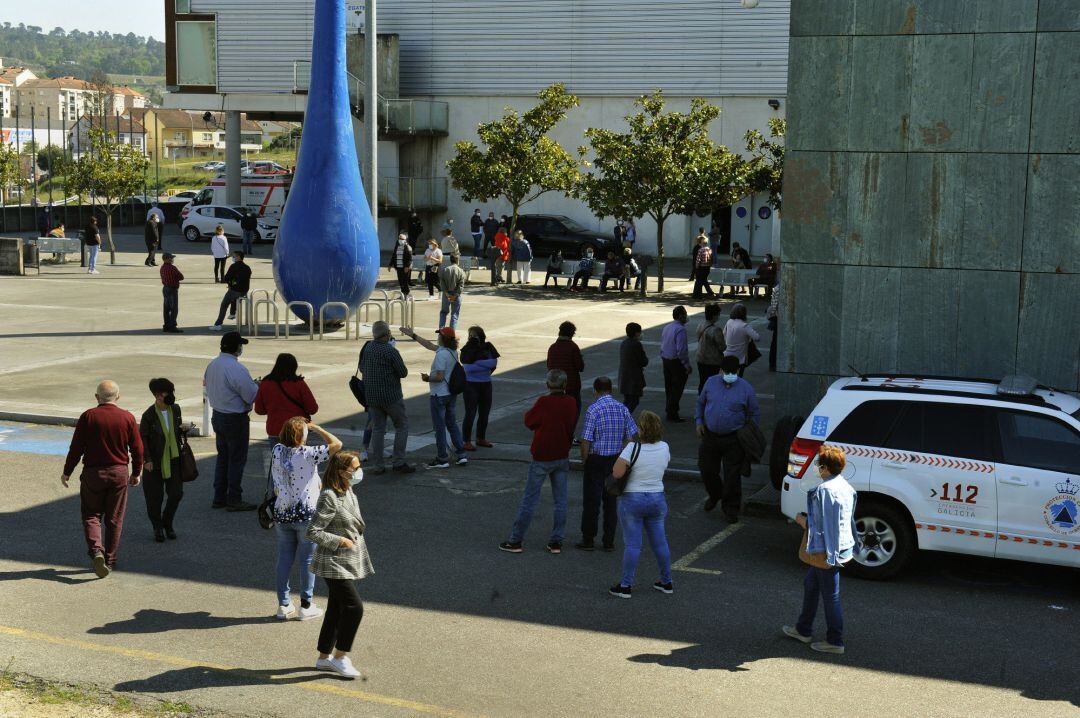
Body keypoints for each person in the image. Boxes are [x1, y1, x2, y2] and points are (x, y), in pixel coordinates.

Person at [61, 380, 143, 578]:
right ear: (118, 396)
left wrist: (67, 471)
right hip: (118, 473)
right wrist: (136, 472)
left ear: (97, 397)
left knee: (91, 514)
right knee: (114, 518)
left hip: (93, 473)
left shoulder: (88, 416)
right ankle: (110, 559)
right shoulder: (127, 417)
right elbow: (138, 449)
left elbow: (76, 448)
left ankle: (96, 551)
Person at [783, 445, 857, 655]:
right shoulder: (845, 486)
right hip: (840, 547)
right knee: (811, 584)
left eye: (818, 464)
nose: (816, 468)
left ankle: (835, 640)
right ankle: (803, 629)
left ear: (824, 468)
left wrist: (800, 520)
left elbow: (818, 525)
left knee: (831, 596)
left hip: (825, 551)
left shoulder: (822, 491)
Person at [306, 451, 372, 679]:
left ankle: (324, 658)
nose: (359, 471)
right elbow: (313, 531)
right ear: (342, 472)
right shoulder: (329, 496)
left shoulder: (348, 490)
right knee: (354, 608)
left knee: (336, 608)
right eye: (355, 468)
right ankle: (340, 657)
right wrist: (340, 540)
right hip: (332, 562)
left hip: (345, 560)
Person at [271, 417, 342, 621]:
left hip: (282, 513)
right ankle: (306, 605)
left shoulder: (277, 450)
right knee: (308, 560)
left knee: (284, 558)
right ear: (302, 436)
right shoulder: (309, 453)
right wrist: (318, 428)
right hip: (306, 515)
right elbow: (337, 444)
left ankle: (284, 605)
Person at [499, 370, 577, 554]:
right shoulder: (571, 402)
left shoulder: (543, 402)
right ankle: (556, 541)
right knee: (560, 501)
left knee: (530, 500)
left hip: (542, 455)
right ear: (565, 385)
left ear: (548, 384)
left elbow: (529, 421)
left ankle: (516, 540)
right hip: (561, 453)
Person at [608, 410, 673, 599]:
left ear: (640, 429)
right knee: (660, 543)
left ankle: (626, 585)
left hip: (633, 499)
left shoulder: (632, 448)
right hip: (657, 498)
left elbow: (617, 473)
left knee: (633, 545)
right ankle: (666, 581)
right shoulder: (664, 447)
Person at [696, 355, 760, 523]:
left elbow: (754, 413)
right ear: (720, 370)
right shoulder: (710, 382)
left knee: (732, 475)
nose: (729, 374)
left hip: (733, 438)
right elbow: (700, 403)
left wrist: (748, 431)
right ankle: (715, 494)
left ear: (738, 371)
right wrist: (699, 421)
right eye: (726, 372)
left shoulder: (746, 389)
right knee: (706, 469)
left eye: (733, 372)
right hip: (710, 436)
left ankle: (731, 508)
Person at [578, 376, 639, 552]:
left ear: (595, 391)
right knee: (611, 502)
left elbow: (586, 440)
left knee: (592, 501)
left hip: (596, 459)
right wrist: (624, 461)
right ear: (611, 390)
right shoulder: (623, 409)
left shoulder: (593, 409)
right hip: (615, 460)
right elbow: (629, 438)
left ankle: (588, 539)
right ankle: (608, 541)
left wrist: (585, 460)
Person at [204, 331, 259, 511]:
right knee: (236, 459)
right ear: (236, 348)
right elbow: (251, 395)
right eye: (240, 345)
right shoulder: (237, 368)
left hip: (218, 415)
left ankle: (219, 496)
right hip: (234, 418)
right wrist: (257, 385)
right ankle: (234, 498)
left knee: (223, 457)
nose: (241, 348)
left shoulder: (212, 365)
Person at [401, 326, 468, 469]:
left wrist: (426, 378)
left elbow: (439, 377)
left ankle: (442, 458)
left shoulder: (441, 355)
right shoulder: (452, 351)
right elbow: (429, 345)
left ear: (443, 339)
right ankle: (461, 454)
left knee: (439, 427)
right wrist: (413, 335)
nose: (437, 337)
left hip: (439, 395)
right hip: (451, 394)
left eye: (440, 335)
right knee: (452, 424)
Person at [359, 322, 415, 474]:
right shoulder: (390, 351)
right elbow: (403, 372)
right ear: (387, 334)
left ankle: (378, 466)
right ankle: (399, 462)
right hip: (391, 396)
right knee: (402, 426)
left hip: (372, 397)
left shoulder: (368, 348)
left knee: (378, 429)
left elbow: (362, 368)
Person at [139, 378, 185, 543]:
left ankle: (167, 521)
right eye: (168, 393)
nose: (171, 395)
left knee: (177, 493)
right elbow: (142, 439)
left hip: (173, 459)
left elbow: (175, 432)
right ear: (158, 396)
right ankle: (157, 527)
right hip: (155, 462)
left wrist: (183, 430)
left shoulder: (176, 410)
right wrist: (147, 459)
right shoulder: (149, 415)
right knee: (154, 498)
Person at [254, 353, 319, 447]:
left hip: (275, 429)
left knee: (278, 460)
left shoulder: (265, 383)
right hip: (297, 430)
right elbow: (313, 409)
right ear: (294, 367)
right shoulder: (298, 383)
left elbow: (259, 410)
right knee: (298, 460)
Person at [460, 326, 499, 451]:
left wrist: (476, 363)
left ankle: (480, 438)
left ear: (481, 336)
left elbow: (493, 364)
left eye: (474, 335)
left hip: (486, 384)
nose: (472, 338)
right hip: (471, 385)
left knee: (484, 413)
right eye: (470, 335)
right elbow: (467, 368)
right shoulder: (466, 349)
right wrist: (484, 366)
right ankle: (466, 441)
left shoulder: (488, 347)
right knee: (470, 414)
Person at [546, 321, 585, 433]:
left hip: (555, 386)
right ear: (572, 334)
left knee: (558, 411)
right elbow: (580, 367)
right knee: (574, 410)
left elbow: (549, 365)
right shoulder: (573, 347)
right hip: (572, 385)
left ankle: (558, 432)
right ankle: (569, 434)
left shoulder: (552, 347)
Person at [660, 306, 692, 422]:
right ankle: (672, 412)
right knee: (677, 388)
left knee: (669, 387)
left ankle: (670, 410)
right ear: (680, 316)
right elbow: (681, 350)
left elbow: (663, 343)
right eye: (685, 314)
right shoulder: (681, 330)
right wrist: (686, 365)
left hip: (666, 360)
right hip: (676, 362)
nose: (686, 316)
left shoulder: (667, 327)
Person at [209, 251, 251, 331]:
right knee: (233, 298)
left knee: (224, 304)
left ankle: (218, 324)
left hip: (235, 290)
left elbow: (226, 278)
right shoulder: (247, 267)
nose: (233, 258)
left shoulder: (234, 266)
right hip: (244, 291)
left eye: (234, 256)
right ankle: (232, 313)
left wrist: (230, 284)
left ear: (238, 257)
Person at [723, 303, 761, 376]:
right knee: (738, 377)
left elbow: (724, 334)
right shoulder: (745, 326)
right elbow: (757, 337)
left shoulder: (729, 322)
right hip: (740, 358)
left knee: (727, 376)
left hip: (727, 354)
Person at [618, 322, 648, 412]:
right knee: (634, 401)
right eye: (639, 332)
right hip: (634, 379)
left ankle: (622, 418)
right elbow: (644, 361)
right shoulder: (636, 344)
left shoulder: (624, 343)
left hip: (625, 377)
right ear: (636, 333)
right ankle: (623, 419)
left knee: (627, 400)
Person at [696, 303, 726, 392]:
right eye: (718, 314)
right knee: (712, 383)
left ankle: (701, 399)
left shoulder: (701, 325)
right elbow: (722, 347)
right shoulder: (716, 330)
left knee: (702, 381)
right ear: (714, 315)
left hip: (700, 358)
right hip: (712, 361)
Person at [438, 254, 466, 330]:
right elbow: (461, 285)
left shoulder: (445, 269)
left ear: (450, 260)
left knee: (444, 312)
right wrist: (455, 295)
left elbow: (442, 282)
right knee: (454, 314)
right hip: (456, 295)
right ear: (457, 261)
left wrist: (446, 293)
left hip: (446, 294)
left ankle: (441, 329)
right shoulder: (461, 271)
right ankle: (452, 332)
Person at [159, 252, 184, 334]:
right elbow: (181, 277)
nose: (172, 259)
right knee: (174, 309)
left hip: (165, 289)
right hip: (172, 290)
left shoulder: (162, 268)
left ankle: (166, 325)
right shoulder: (172, 268)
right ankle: (172, 326)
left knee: (166, 309)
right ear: (167, 259)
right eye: (171, 258)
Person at [692, 235, 715, 299]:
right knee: (704, 280)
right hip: (707, 268)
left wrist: (696, 268)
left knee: (699, 281)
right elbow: (712, 259)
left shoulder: (700, 250)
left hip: (701, 268)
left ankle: (699, 295)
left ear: (701, 243)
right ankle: (710, 293)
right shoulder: (709, 250)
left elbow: (698, 260)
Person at [768, 280, 781, 372]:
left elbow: (773, 306)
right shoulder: (780, 289)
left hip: (776, 317)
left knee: (774, 342)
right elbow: (775, 306)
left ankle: (772, 363)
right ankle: (773, 363)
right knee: (776, 342)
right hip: (779, 318)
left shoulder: (777, 288)